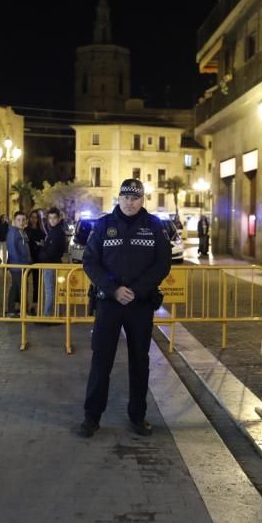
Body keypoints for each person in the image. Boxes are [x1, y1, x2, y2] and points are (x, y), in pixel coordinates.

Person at [77, 179, 171, 438]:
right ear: (118, 198)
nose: (130, 202)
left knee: (140, 361)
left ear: (143, 200)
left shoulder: (153, 226)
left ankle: (137, 416)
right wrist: (113, 289)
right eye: (126, 197)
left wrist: (137, 290)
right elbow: (90, 262)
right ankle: (91, 417)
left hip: (140, 305)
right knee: (101, 360)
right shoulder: (104, 225)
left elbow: (162, 264)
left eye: (135, 198)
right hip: (109, 303)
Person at [38, 207, 67, 318]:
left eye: (54, 218)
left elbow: (53, 251)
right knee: (54, 290)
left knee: (50, 290)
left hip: (51, 264)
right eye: (50, 218)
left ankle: (48, 315)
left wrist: (41, 254)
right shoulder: (55, 231)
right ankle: (56, 314)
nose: (52, 220)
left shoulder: (57, 232)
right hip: (53, 263)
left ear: (59, 218)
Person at [5, 211, 30, 316]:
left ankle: (11, 310)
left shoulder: (21, 231)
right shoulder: (13, 232)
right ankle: (23, 311)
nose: (21, 222)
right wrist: (20, 262)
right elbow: (12, 249)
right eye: (19, 220)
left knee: (15, 287)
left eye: (23, 219)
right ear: (14, 221)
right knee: (22, 287)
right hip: (17, 266)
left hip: (22, 265)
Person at [25, 209, 46, 315]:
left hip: (38, 259)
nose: (34, 219)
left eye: (36, 217)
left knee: (37, 283)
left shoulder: (42, 231)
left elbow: (45, 244)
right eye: (32, 217)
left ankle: (35, 305)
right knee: (24, 282)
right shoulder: (26, 230)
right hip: (27, 259)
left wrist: (41, 245)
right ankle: (23, 304)